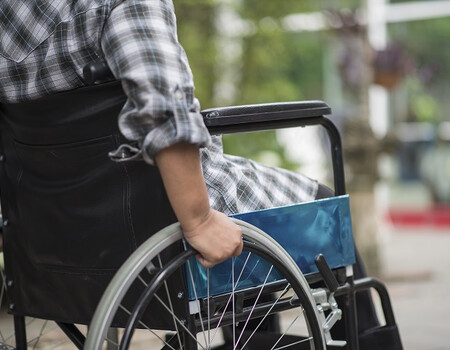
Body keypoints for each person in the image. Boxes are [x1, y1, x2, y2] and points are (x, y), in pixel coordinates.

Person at [0, 0, 319, 268]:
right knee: (322, 204)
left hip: (50, 232)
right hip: (156, 216)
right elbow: (164, 108)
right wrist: (200, 220)